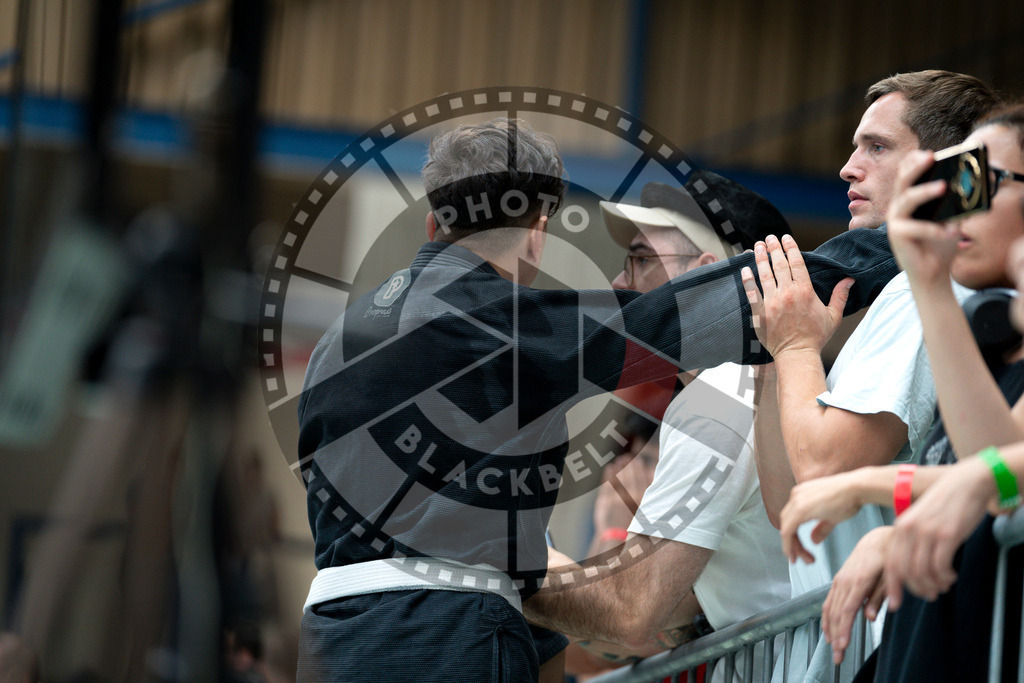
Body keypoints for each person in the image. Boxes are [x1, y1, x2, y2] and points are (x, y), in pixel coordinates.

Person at [294, 117, 899, 682]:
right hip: (446, 635)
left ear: (432, 224)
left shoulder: (333, 344)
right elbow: (672, 321)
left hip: (328, 634)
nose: (619, 277)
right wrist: (896, 246)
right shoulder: (512, 327)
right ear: (536, 235)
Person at [744, 70, 999, 682]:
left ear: (947, 172)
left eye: (877, 147)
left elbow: (827, 468)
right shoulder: (903, 293)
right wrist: (778, 355)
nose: (847, 168)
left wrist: (800, 346)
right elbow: (796, 509)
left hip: (901, 654)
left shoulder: (922, 291)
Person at [526, 173, 791, 680]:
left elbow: (632, 612)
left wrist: (498, 550)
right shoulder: (750, 390)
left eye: (641, 258)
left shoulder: (720, 399)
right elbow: (650, 625)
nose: (621, 283)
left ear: (703, 279)